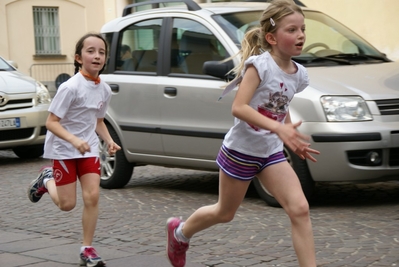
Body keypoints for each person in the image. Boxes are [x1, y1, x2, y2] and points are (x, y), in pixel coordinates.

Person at [165, 1, 320, 267]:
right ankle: (179, 234)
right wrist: (278, 127)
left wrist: (289, 134)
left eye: (302, 29)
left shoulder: (299, 74)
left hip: (270, 153)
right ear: (271, 38)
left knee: (300, 209)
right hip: (241, 151)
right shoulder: (259, 66)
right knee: (225, 213)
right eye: (292, 30)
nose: (301, 35)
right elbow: (239, 108)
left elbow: (282, 104)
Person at [27, 32, 121, 267]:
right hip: (64, 151)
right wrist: (73, 140)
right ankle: (46, 179)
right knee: (67, 205)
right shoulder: (69, 88)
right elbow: (51, 122)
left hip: (88, 150)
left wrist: (108, 140)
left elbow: (98, 121)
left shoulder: (105, 90)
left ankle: (87, 249)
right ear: (79, 58)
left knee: (93, 196)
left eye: (101, 52)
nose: (97, 56)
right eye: (91, 51)